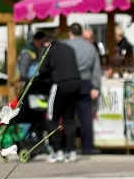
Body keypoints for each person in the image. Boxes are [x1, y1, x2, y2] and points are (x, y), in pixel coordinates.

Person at [34, 31, 81, 163]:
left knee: (52, 117)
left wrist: (44, 79)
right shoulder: (69, 48)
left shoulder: (49, 50)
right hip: (76, 83)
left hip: (60, 84)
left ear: (45, 43)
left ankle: (57, 150)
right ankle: (71, 151)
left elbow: (43, 70)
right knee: (69, 118)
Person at [63, 24, 101, 155]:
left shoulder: (65, 46)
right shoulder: (90, 47)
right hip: (85, 82)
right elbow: (96, 68)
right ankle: (87, 147)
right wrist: (95, 85)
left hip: (68, 81)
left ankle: (69, 146)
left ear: (70, 33)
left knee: (68, 116)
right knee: (85, 118)